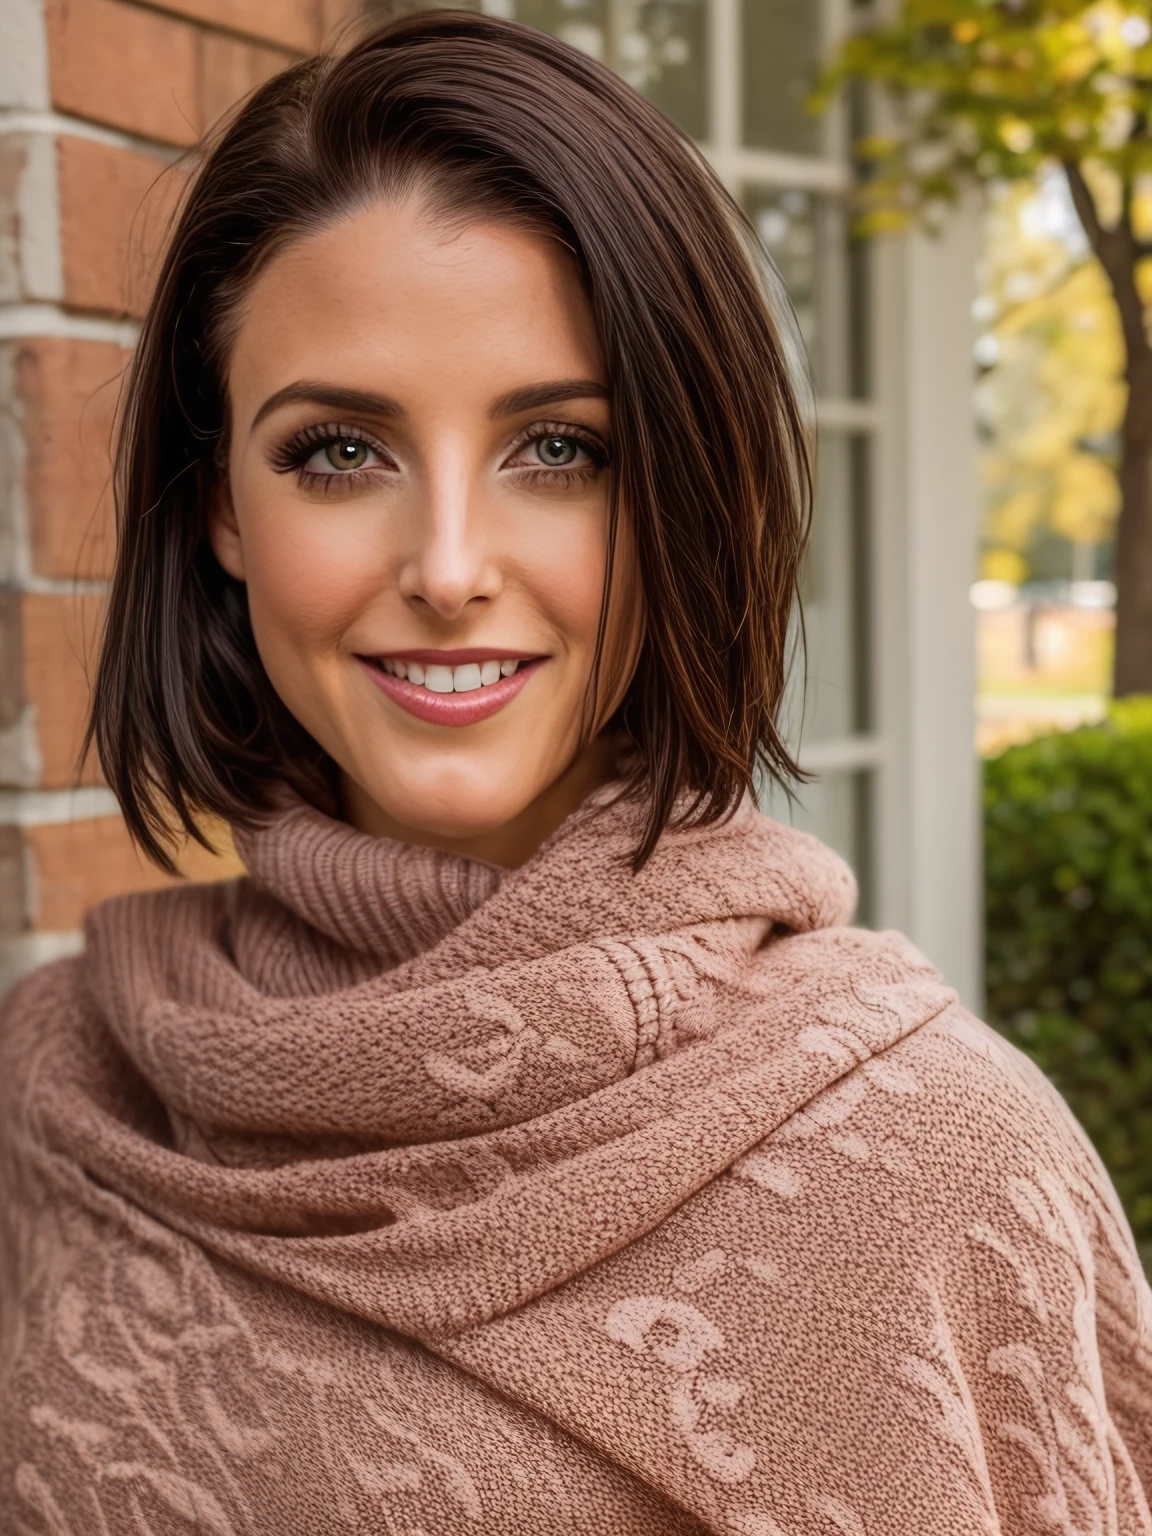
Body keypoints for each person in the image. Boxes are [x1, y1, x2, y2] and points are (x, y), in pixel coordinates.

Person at [2, 11, 1150, 1534]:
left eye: (560, 449)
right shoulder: (50, 1084)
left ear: (681, 493)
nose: (452, 567)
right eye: (340, 451)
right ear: (218, 508)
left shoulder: (940, 1160)